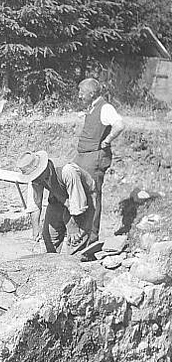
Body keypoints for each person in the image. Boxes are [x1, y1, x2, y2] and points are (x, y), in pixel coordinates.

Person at [73, 78, 125, 245]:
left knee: (92, 197)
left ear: (92, 93)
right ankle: (81, 236)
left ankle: (92, 239)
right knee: (80, 196)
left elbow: (119, 125)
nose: (79, 96)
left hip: (94, 158)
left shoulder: (106, 108)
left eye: (82, 92)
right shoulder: (94, 107)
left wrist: (107, 140)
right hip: (84, 157)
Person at [15, 151, 96, 254]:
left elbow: (77, 204)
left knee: (75, 239)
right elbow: (35, 203)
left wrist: (73, 226)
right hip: (58, 196)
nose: (35, 181)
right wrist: (36, 229)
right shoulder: (36, 179)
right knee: (48, 236)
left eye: (36, 177)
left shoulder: (67, 171)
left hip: (82, 197)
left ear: (42, 169)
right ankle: (51, 264)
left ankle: (75, 264)